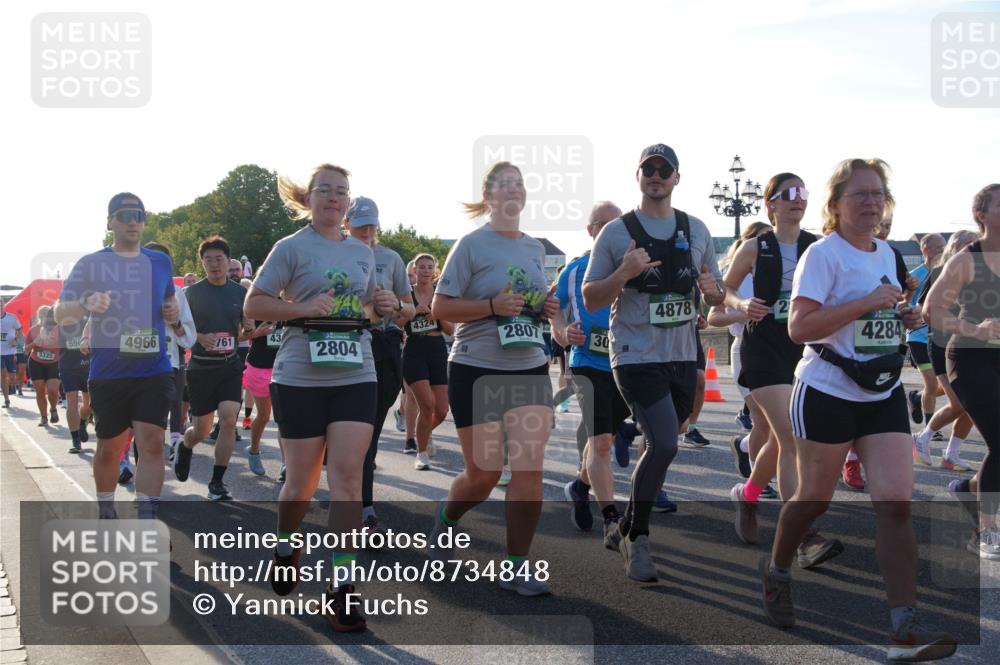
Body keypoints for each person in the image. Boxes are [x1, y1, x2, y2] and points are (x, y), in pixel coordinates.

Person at [760, 159, 955, 662]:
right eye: (860, 194)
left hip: (881, 392)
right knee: (814, 500)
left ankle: (904, 628)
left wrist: (903, 314)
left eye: (878, 194)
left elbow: (882, 312)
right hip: (826, 390)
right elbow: (800, 328)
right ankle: (778, 571)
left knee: (895, 505)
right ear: (835, 204)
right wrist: (867, 302)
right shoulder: (822, 255)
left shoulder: (887, 252)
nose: (871, 202)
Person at [244, 162, 382, 632]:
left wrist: (382, 307)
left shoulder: (362, 252)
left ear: (348, 202)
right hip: (300, 374)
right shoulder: (290, 247)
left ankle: (342, 586)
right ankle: (286, 544)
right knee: (300, 485)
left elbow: (367, 307)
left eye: (341, 191)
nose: (334, 197)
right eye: (325, 190)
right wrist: (301, 307)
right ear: (309, 198)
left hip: (356, 371)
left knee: (347, 480)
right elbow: (254, 303)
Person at [582, 144, 725, 582]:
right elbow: (591, 297)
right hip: (635, 354)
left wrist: (713, 291)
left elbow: (717, 293)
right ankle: (638, 537)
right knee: (664, 444)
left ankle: (623, 526)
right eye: (649, 169)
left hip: (681, 354)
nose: (656, 175)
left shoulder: (696, 228)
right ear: (638, 175)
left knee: (664, 441)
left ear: (677, 177)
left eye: (665, 169)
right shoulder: (616, 233)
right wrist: (623, 273)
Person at [429, 161, 559, 596]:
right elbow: (441, 309)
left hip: (529, 367)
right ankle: (447, 517)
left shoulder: (535, 248)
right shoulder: (471, 244)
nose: (514, 190)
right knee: (484, 475)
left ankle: (516, 566)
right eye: (504, 185)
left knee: (529, 470)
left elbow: (526, 305)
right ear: (488, 197)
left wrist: (544, 309)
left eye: (519, 184)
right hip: (477, 367)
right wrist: (490, 307)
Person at [724, 172, 843, 568]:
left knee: (781, 439)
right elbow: (724, 291)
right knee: (791, 436)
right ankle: (804, 536)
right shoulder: (755, 247)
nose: (798, 198)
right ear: (770, 203)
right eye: (789, 193)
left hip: (804, 351)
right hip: (762, 351)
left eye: (803, 192)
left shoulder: (819, 247)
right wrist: (741, 305)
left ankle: (748, 494)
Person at [55, 192, 180, 521]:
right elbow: (60, 313)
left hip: (154, 368)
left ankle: (147, 519)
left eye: (138, 215)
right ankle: (106, 506)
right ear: (110, 222)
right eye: (124, 215)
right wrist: (85, 304)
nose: (132, 222)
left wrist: (172, 309)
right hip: (109, 371)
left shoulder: (160, 261)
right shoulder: (91, 263)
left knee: (152, 443)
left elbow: (170, 299)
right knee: (110, 448)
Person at [926, 183, 1000, 561]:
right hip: (970, 359)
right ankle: (985, 532)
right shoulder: (966, 260)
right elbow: (932, 311)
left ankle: (969, 490)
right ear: (981, 215)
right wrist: (976, 329)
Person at [553, 200, 632, 545]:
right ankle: (611, 519)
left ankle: (580, 486)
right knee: (600, 443)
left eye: (620, 226)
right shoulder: (574, 270)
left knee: (604, 440)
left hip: (626, 364)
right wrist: (562, 332)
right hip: (588, 364)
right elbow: (553, 308)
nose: (613, 233)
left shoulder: (634, 266)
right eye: (605, 226)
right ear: (591, 231)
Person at [343, 196, 414, 529]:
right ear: (347, 224)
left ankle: (362, 505)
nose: (367, 231)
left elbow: (410, 308)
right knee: (351, 432)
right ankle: (362, 505)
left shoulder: (391, 258)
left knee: (369, 430)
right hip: (344, 345)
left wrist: (395, 307)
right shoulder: (333, 253)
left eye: (372, 225)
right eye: (360, 226)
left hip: (382, 346)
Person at [172, 236, 250, 501]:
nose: (214, 264)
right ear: (202, 263)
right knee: (201, 430)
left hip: (230, 366)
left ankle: (217, 482)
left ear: (228, 262)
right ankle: (185, 446)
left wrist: (251, 328)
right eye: (209, 260)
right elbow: (176, 327)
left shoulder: (240, 293)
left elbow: (244, 330)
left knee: (228, 419)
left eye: (219, 259)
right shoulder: (190, 294)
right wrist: (199, 336)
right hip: (201, 368)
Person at [707, 220, 774, 485]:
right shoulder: (735, 276)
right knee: (763, 421)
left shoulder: (782, 272)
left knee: (781, 423)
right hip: (746, 348)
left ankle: (744, 445)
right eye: (764, 241)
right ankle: (759, 483)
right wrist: (742, 312)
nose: (770, 247)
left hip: (781, 351)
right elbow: (713, 317)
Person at [913, 230, 980, 470]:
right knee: (959, 402)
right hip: (942, 344)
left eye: (975, 244)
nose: (973, 248)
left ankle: (951, 454)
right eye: (967, 244)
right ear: (954, 247)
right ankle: (922, 438)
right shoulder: (941, 272)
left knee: (973, 403)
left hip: (970, 346)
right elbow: (923, 307)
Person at [143, 242, 196, 461]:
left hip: (169, 360)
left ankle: (174, 446)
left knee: (173, 403)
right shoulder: (129, 290)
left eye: (160, 261)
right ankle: (129, 459)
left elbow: (189, 337)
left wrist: (175, 322)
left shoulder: (177, 293)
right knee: (142, 414)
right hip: (136, 362)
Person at [402, 252, 454, 469]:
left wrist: (437, 315)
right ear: (414, 270)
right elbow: (395, 322)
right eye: (421, 267)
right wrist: (412, 312)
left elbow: (450, 330)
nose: (425, 271)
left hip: (436, 349)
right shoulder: (406, 294)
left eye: (429, 267)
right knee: (427, 404)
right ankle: (421, 454)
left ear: (435, 271)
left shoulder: (440, 296)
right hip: (414, 350)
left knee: (441, 410)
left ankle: (423, 432)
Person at [904, 234, 946, 441]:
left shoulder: (946, 274)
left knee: (945, 385)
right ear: (925, 249)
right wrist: (917, 315)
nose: (941, 251)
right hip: (917, 337)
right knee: (931, 382)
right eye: (938, 247)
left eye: (943, 247)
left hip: (938, 337)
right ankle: (931, 428)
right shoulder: (916, 275)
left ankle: (917, 397)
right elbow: (905, 303)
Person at [57, 307, 91, 452]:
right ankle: (75, 440)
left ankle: (82, 422)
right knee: (71, 401)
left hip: (88, 364)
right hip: (68, 365)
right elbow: (47, 326)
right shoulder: (59, 311)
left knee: (89, 403)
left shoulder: (91, 311)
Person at [24, 306, 61, 426]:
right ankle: (43, 417)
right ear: (39, 317)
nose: (46, 318)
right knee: (40, 390)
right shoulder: (33, 330)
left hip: (54, 363)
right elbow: (25, 350)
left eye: (48, 315)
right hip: (36, 363)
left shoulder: (59, 329)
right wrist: (35, 343)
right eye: (43, 315)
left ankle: (53, 409)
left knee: (52, 390)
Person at [1, 298, 23, 408]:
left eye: (0, 303)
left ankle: (11, 386)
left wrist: (15, 340)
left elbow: (20, 330)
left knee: (11, 376)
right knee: (3, 374)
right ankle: (6, 400)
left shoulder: (12, 318)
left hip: (10, 351)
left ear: (3, 304)